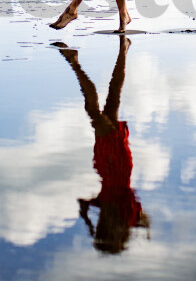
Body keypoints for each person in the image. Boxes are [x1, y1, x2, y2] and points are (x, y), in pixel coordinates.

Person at [52, 36, 150, 253]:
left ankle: (123, 50)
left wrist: (87, 218)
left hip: (106, 161)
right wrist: (88, 219)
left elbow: (83, 202)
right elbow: (130, 217)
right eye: (105, 231)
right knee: (94, 112)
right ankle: (74, 63)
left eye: (101, 229)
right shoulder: (125, 212)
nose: (103, 225)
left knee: (114, 95)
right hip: (116, 162)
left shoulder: (105, 207)